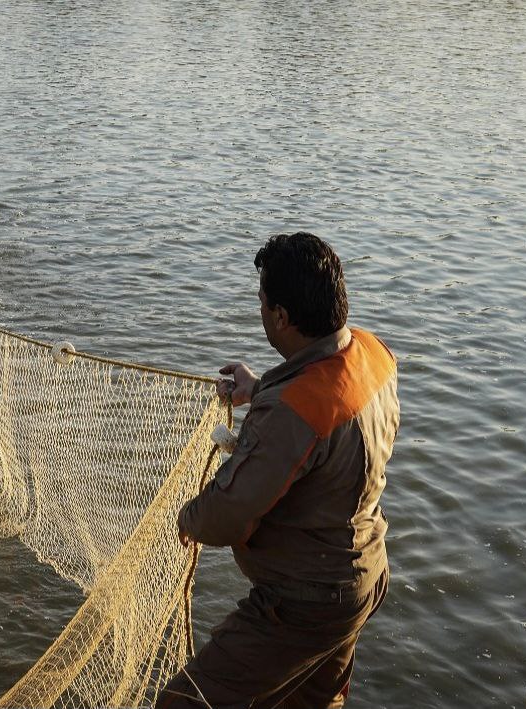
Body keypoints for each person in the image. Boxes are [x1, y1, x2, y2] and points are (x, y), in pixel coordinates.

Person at [158, 232, 399, 709]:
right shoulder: (373, 353)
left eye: (262, 303)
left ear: (282, 317)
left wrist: (189, 519)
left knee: (183, 702)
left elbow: (229, 514)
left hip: (307, 605)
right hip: (366, 576)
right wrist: (261, 389)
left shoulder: (292, 413)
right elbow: (325, 400)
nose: (262, 311)